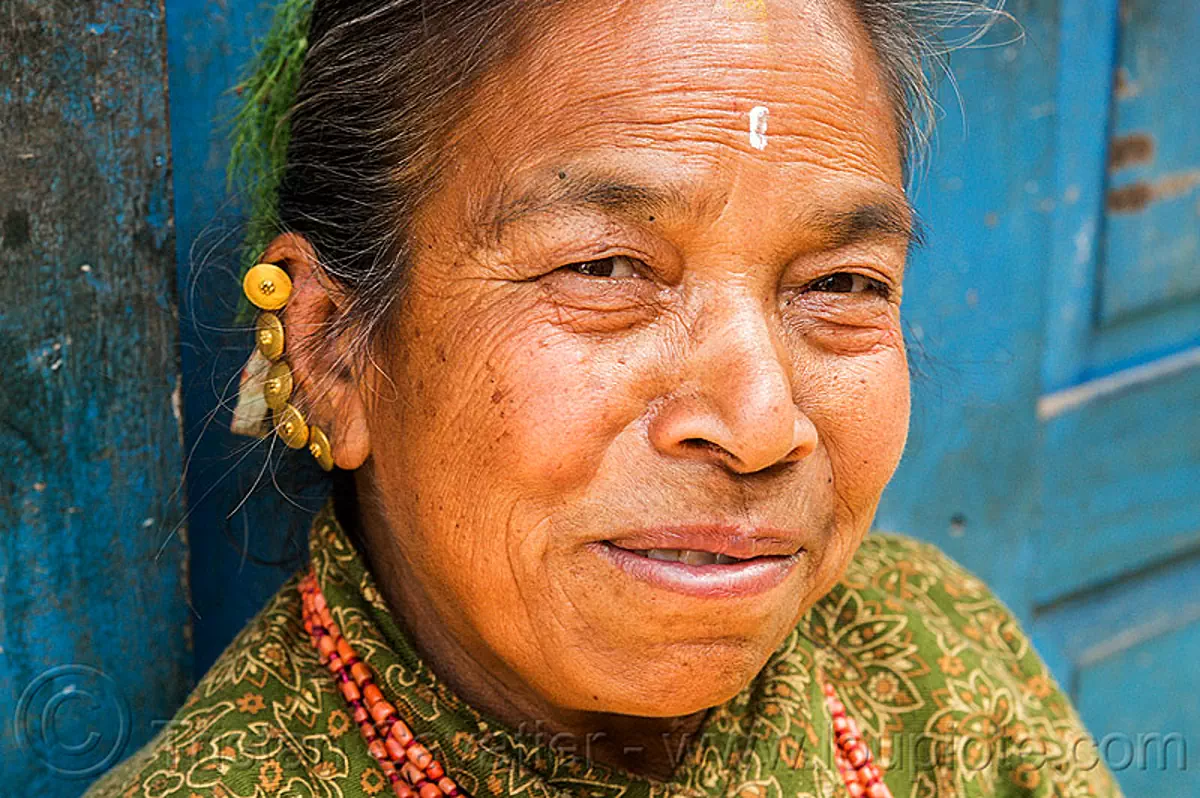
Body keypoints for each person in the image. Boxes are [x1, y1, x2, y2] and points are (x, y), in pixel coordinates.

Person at [85, 0, 1123, 796]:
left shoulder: (938, 654)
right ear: (331, 355)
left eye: (842, 284)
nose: (761, 425)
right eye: (604, 269)